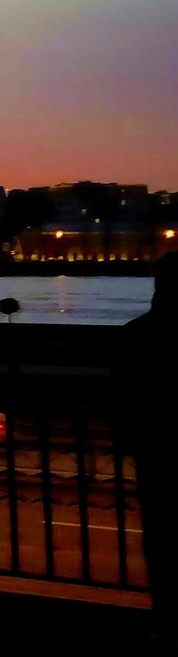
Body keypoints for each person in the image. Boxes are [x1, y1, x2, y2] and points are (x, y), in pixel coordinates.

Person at [117, 250, 176, 612]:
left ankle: (167, 612)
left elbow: (126, 393)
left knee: (160, 536)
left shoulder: (137, 335)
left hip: (152, 447)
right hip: (154, 442)